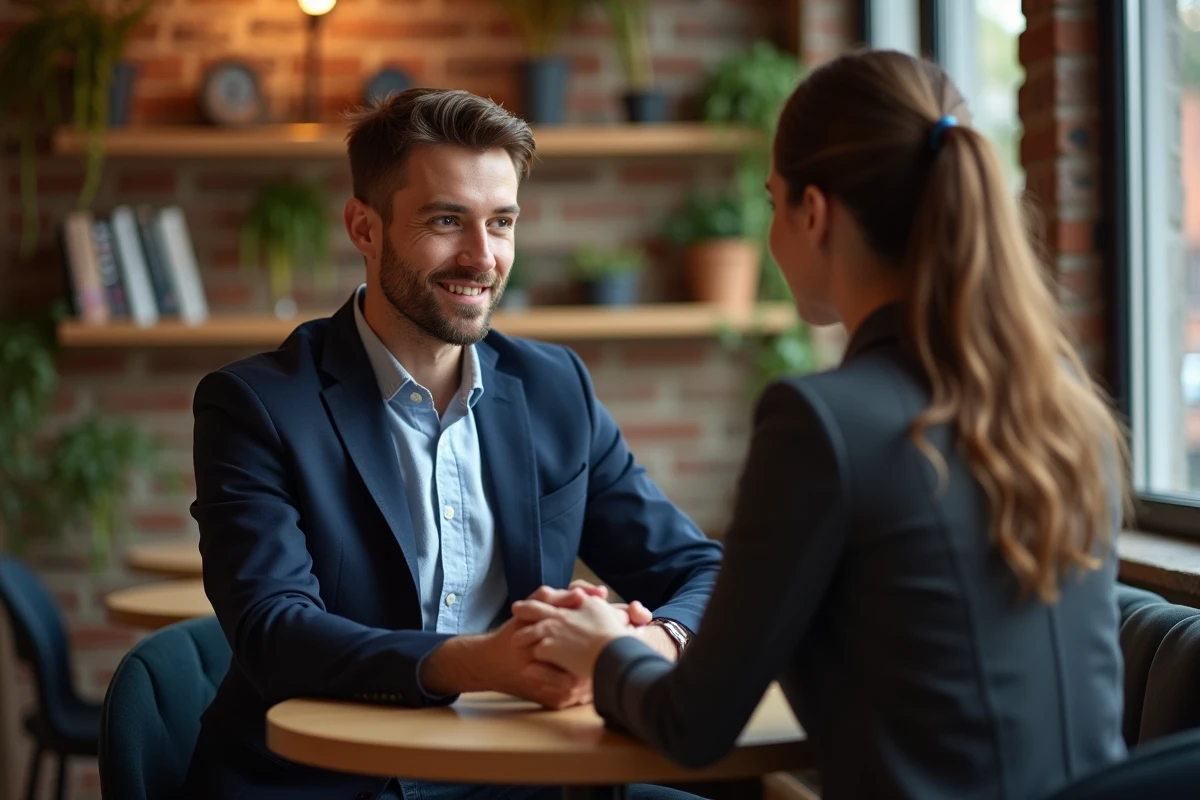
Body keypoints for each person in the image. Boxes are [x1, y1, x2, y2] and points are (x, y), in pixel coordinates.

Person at [509, 49, 1131, 800]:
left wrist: (602, 648)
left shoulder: (822, 423)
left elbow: (694, 724)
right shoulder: (1065, 403)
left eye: (773, 204)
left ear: (815, 212)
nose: (773, 235)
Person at [182, 88, 720, 800]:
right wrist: (482, 663)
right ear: (363, 228)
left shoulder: (556, 387)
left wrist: (637, 649)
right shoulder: (257, 404)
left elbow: (703, 573)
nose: (482, 257)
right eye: (446, 221)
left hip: (520, 776)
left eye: (502, 223)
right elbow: (275, 634)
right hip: (324, 783)